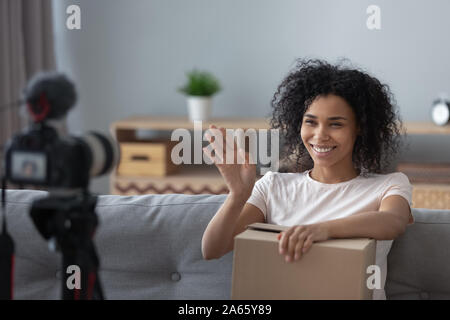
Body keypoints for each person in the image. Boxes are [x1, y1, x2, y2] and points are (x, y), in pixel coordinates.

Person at [201, 59, 413, 300]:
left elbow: (393, 222)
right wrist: (237, 195)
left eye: (336, 124)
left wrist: (321, 230)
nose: (320, 135)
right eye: (310, 122)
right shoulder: (273, 186)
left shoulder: (389, 185)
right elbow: (212, 249)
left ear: (360, 128)